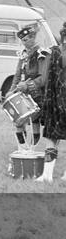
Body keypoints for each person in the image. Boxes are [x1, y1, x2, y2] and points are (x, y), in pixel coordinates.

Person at [9, 23, 48, 149]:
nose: (23, 43)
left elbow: (43, 78)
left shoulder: (42, 54)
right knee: (19, 121)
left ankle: (33, 148)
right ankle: (23, 147)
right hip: (23, 93)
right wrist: (11, 90)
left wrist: (27, 85)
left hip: (37, 93)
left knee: (35, 122)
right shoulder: (23, 54)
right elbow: (17, 74)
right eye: (22, 40)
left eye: (26, 40)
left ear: (33, 38)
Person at [39, 23, 66, 182]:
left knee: (51, 138)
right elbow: (48, 80)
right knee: (51, 138)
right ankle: (49, 175)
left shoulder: (55, 52)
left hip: (56, 101)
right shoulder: (55, 52)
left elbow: (47, 81)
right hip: (56, 100)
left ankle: (49, 175)